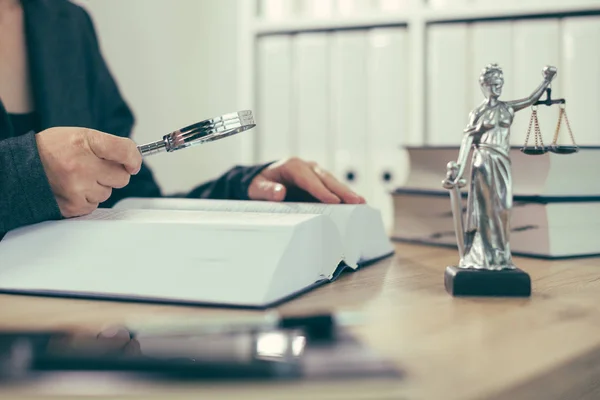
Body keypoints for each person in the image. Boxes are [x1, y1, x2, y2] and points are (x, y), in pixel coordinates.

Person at [0, 0, 365, 235]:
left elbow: (127, 198)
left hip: (73, 327)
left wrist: (239, 191)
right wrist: (29, 172)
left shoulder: (67, 23)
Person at [443, 63, 556, 270]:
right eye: (493, 84)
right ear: (484, 86)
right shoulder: (478, 113)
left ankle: (501, 254)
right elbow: (467, 139)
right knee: (486, 210)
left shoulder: (507, 108)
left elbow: (531, 99)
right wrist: (459, 167)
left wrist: (546, 81)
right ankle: (485, 257)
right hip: (484, 161)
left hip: (503, 161)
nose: (498, 88)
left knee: (504, 208)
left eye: (500, 83)